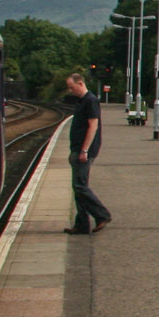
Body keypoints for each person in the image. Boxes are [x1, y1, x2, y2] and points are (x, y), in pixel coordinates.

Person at [63, 72, 112, 234]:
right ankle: (82, 224)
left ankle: (102, 215)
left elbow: (93, 126)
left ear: (80, 83)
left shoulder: (90, 101)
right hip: (78, 149)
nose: (71, 90)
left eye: (72, 87)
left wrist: (84, 150)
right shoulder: (83, 101)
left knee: (80, 186)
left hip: (84, 151)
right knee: (78, 188)